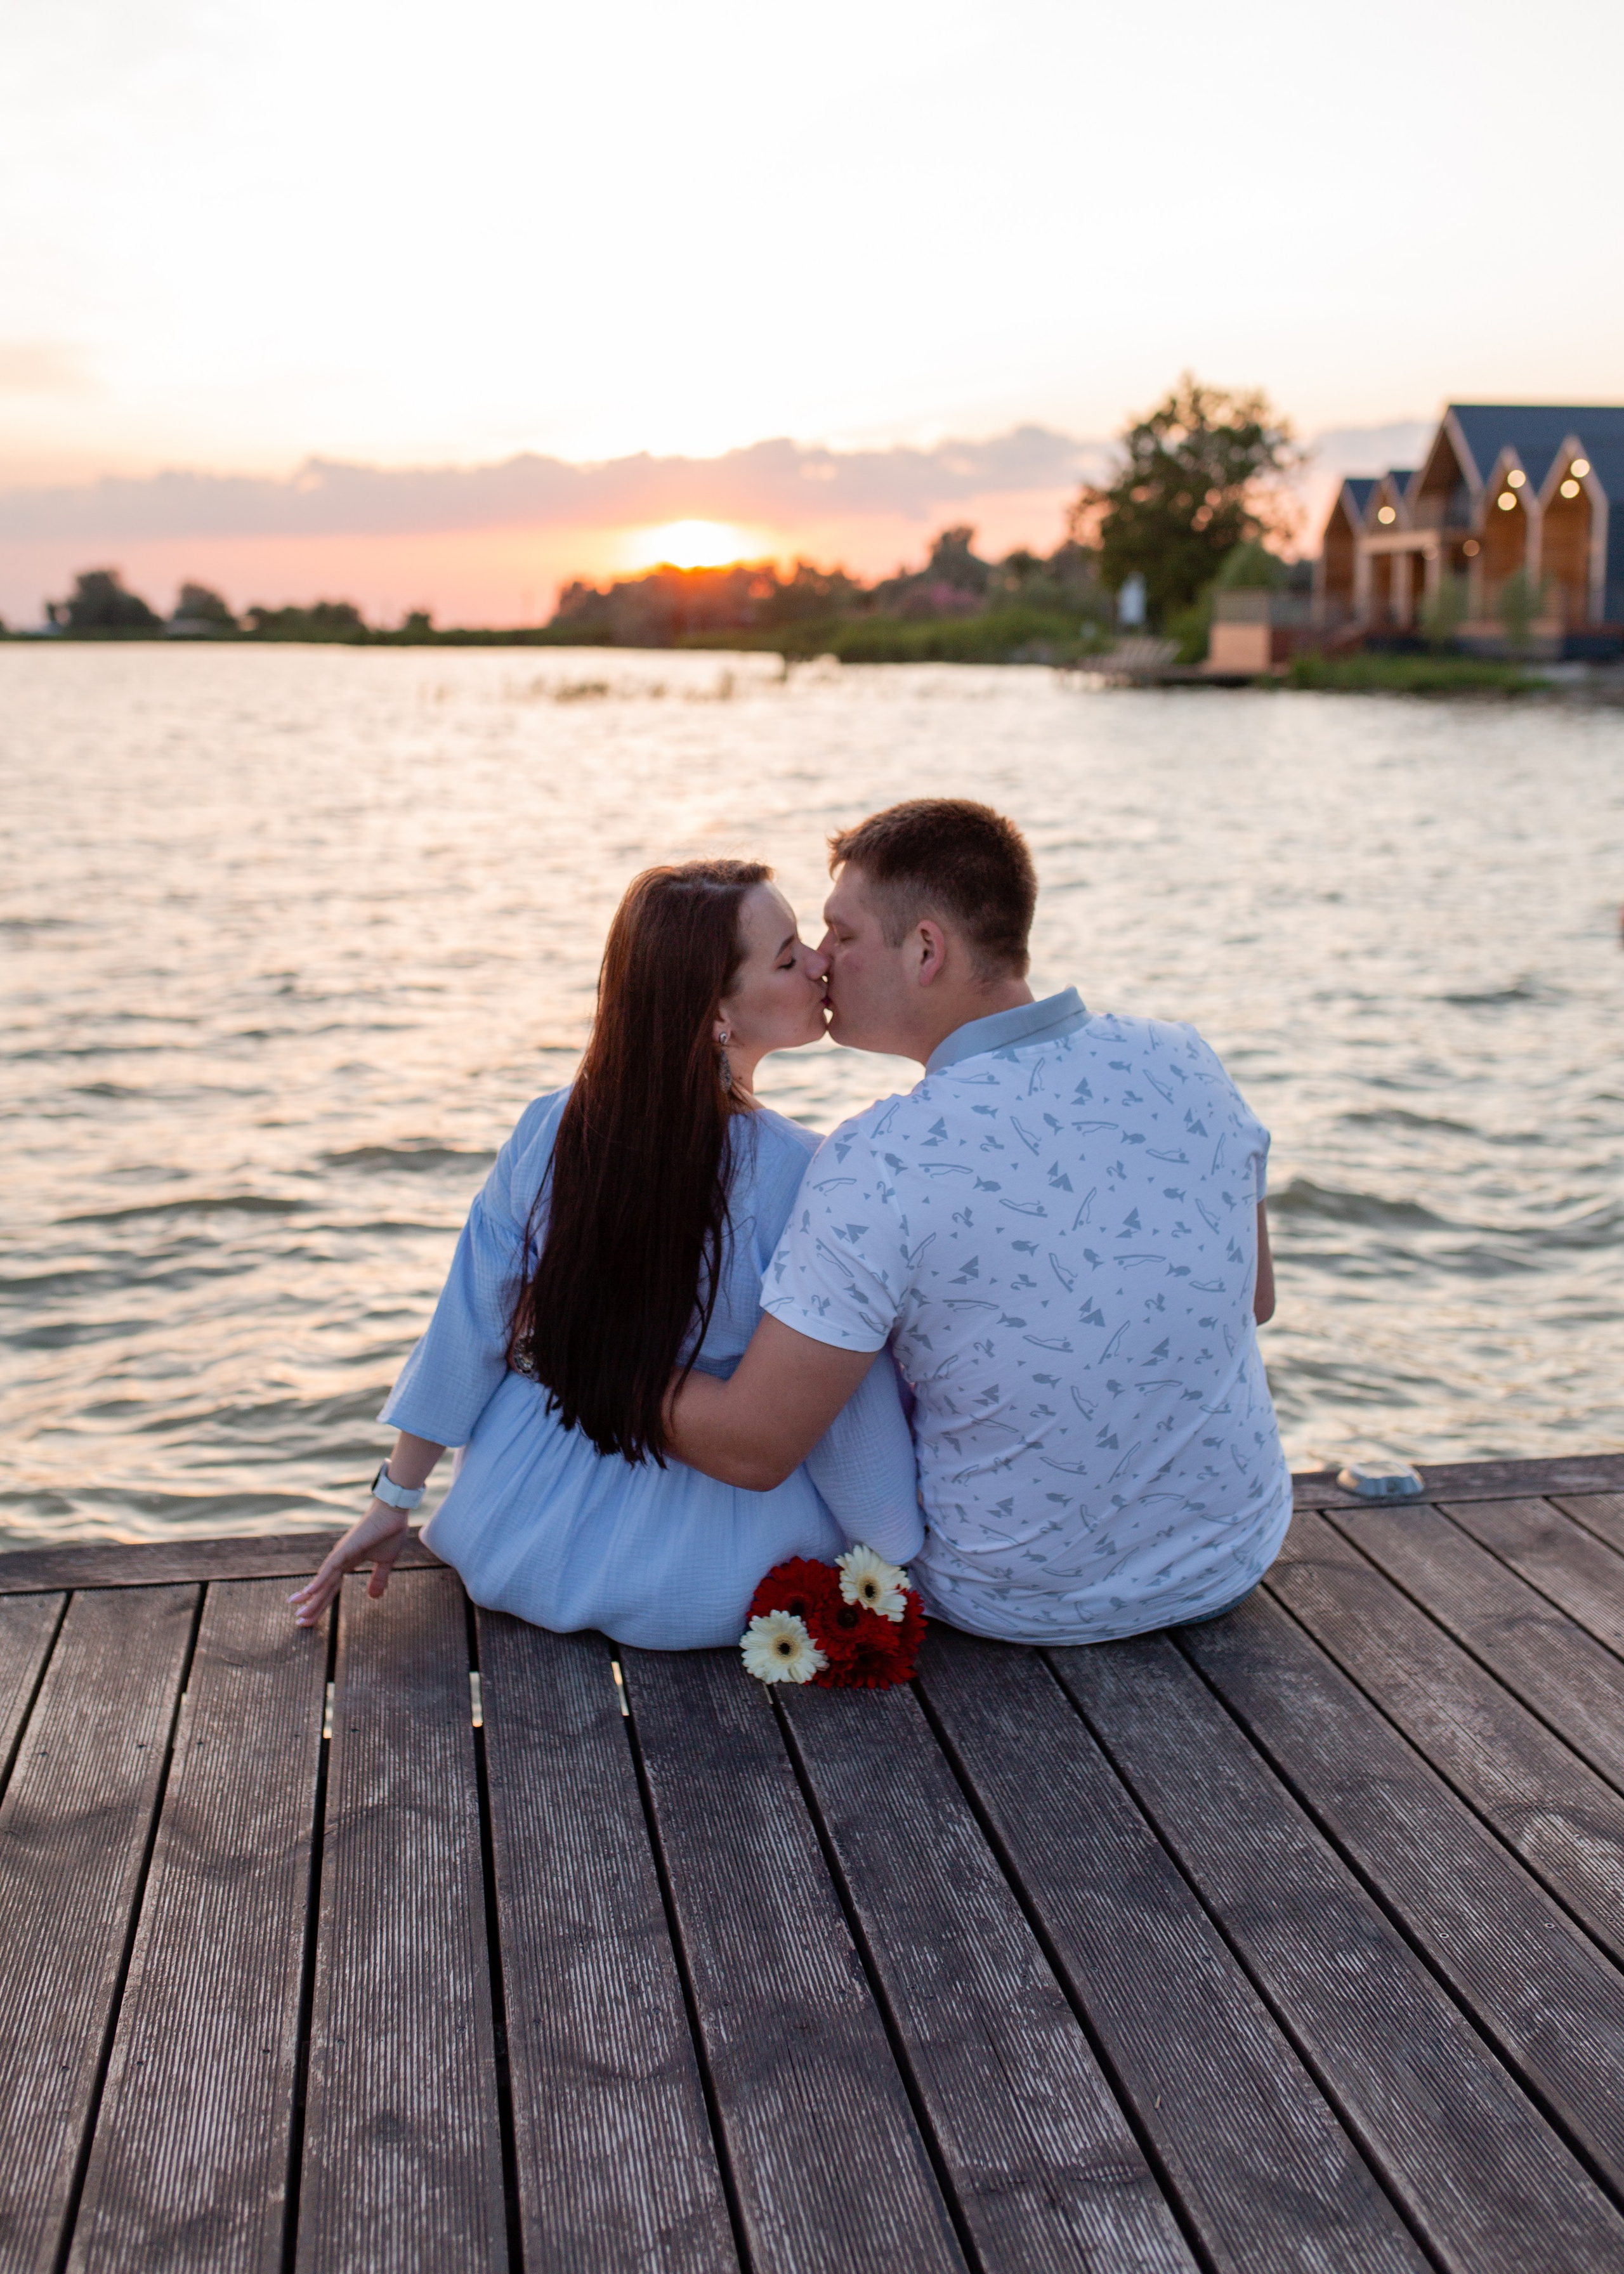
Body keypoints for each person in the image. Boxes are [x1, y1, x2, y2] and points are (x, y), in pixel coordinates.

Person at [664, 799, 1291, 1644]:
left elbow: (753, 1446)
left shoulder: (881, 1156)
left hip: (1016, 1601)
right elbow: (1252, 1299)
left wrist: (585, 1359)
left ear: (927, 949)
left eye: (842, 936)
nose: (821, 961)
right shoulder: (1186, 1059)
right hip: (1229, 1560)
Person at [289, 860, 921, 1647]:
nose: (821, 963)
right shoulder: (805, 1169)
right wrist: (893, 1550)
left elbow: (469, 1324)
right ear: (715, 1014)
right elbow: (836, 1403)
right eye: (789, 957)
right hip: (706, 1567)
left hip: (518, 1533)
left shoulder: (552, 1127)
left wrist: (395, 1499)